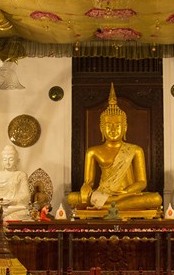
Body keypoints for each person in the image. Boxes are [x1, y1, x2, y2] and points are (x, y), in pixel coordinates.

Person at [67, 84, 162, 212]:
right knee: (72, 198)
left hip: (126, 195)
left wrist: (125, 192)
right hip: (103, 194)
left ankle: (103, 207)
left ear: (125, 128)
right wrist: (86, 188)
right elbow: (88, 181)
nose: (113, 129)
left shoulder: (135, 150)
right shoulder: (93, 152)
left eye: (117, 125)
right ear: (101, 128)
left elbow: (142, 182)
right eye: (108, 125)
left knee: (155, 199)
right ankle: (106, 205)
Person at [0, 145, 30, 221]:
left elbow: (26, 196)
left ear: (17, 161)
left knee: (23, 213)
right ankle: (4, 217)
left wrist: (12, 201)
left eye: (11, 159)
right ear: (2, 161)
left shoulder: (21, 175)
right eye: (5, 159)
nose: (8, 162)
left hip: (14, 208)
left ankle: (4, 218)